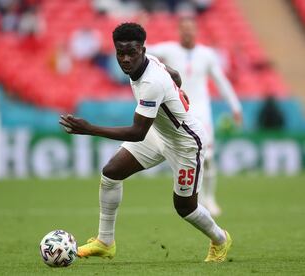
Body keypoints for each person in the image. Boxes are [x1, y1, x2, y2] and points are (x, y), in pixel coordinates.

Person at [59, 22, 232, 262]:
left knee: (185, 207)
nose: (126, 59)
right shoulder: (149, 60)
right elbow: (175, 75)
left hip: (186, 144)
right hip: (159, 134)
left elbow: (137, 132)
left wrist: (90, 129)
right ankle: (105, 242)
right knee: (111, 173)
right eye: (121, 53)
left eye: (132, 52)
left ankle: (220, 239)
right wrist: (176, 93)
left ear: (142, 49)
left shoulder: (151, 83)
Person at [147, 16, 242, 217]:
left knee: (207, 157)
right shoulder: (169, 50)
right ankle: (192, 198)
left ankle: (210, 198)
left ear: (196, 31)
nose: (188, 32)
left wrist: (235, 106)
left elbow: (221, 81)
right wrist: (140, 28)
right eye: (184, 28)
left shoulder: (206, 54)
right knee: (183, 157)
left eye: (191, 28)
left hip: (202, 113)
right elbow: (145, 50)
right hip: (179, 111)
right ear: (179, 30)